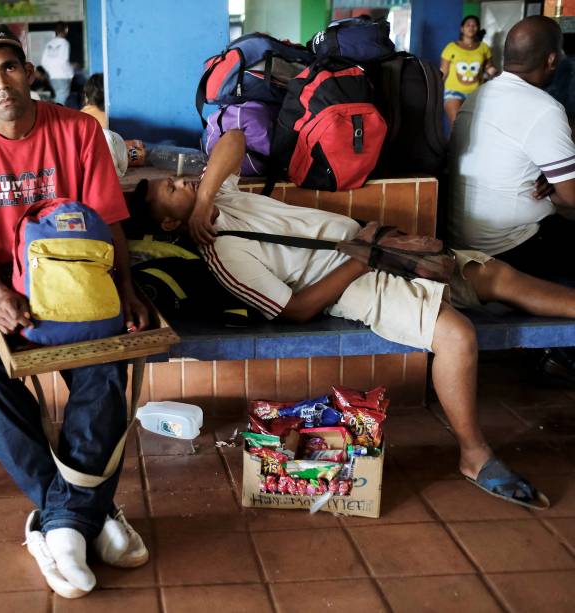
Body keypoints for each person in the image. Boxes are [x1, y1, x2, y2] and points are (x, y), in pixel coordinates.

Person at [133, 128, 575, 511]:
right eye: (170, 190)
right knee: (456, 334)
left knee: (493, 276)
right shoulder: (223, 253)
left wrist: (205, 196)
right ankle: (474, 456)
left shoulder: (218, 197)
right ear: (172, 224)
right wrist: (362, 261)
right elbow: (296, 310)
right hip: (353, 281)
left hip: (379, 248)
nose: (179, 180)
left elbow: (234, 138)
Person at [0, 24, 149, 598]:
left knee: (106, 348)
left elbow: (110, 221)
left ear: (28, 72)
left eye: (8, 67)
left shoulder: (77, 130)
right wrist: (0, 295)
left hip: (75, 279)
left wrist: (125, 286)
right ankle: (83, 513)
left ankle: (61, 522)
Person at [448, 15, 575, 381]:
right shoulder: (543, 108)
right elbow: (571, 198)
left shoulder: (478, 96)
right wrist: (558, 188)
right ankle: (563, 354)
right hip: (512, 246)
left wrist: (550, 181)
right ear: (552, 60)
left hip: (468, 242)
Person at [441, 15, 496, 128]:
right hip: (453, 92)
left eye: (474, 25)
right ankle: (456, 146)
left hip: (476, 93)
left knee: (473, 127)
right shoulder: (451, 47)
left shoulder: (484, 48)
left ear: (478, 28)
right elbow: (443, 71)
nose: (471, 27)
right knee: (457, 125)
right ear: (462, 29)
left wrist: (492, 71)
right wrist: (435, 92)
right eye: (468, 25)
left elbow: (489, 67)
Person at [41, 22, 73, 105]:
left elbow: (43, 62)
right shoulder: (64, 43)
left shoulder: (49, 43)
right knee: (62, 101)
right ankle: (57, 116)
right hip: (63, 76)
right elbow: (64, 60)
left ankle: (54, 114)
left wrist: (52, 70)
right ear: (66, 30)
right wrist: (71, 73)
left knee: (58, 98)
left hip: (53, 76)